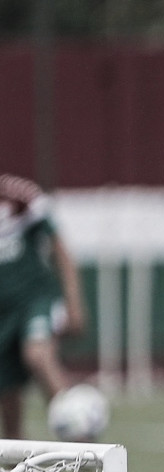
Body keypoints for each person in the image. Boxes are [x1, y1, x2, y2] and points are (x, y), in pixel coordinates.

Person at [0, 174, 86, 439]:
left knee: (37, 355)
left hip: (33, 298)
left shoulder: (19, 194)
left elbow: (59, 249)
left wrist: (74, 302)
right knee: (9, 400)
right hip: (2, 314)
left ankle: (78, 429)